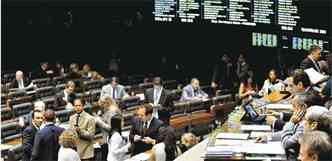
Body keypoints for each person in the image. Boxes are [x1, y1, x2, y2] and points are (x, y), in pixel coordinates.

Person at [95, 96, 121, 161]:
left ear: (106, 103)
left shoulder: (112, 111)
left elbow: (110, 128)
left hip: (110, 140)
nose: (102, 108)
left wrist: (99, 121)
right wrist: (99, 116)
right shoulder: (108, 110)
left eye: (102, 106)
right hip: (106, 139)